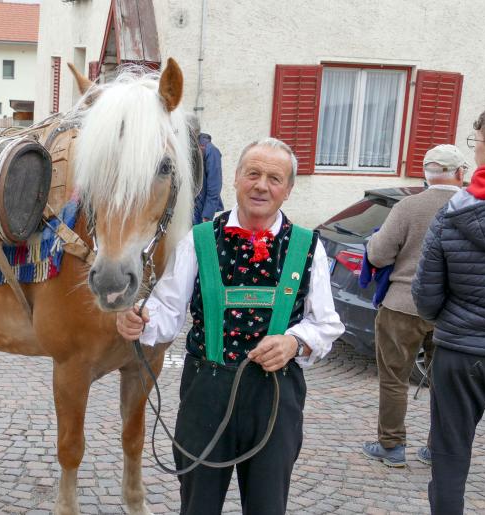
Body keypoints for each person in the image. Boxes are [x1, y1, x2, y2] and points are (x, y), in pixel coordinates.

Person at [116, 138, 344, 514]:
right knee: (198, 506)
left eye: (274, 178)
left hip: (276, 396)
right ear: (236, 179)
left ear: (287, 190)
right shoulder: (199, 240)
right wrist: (140, 320)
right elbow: (167, 309)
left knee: (268, 506)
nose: (261, 185)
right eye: (252, 174)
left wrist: (295, 341)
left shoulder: (307, 246)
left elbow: (326, 324)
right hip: (206, 392)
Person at [361, 144, 467, 468]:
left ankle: (392, 446)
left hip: (402, 304)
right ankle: (439, 449)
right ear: (461, 173)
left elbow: (378, 255)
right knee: (446, 384)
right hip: (453, 310)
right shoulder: (472, 206)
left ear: (425, 173)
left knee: (393, 378)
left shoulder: (409, 206)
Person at [412, 107, 485, 514]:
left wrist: (456, 316)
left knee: (449, 454)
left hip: (462, 352)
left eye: (475, 142)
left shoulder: (453, 213)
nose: (474, 150)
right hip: (464, 344)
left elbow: (425, 296)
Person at [193, 131, 224, 224]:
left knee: (199, 238)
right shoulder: (186, 147)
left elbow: (214, 186)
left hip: (200, 212)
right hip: (186, 209)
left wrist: (207, 215)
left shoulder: (211, 150)